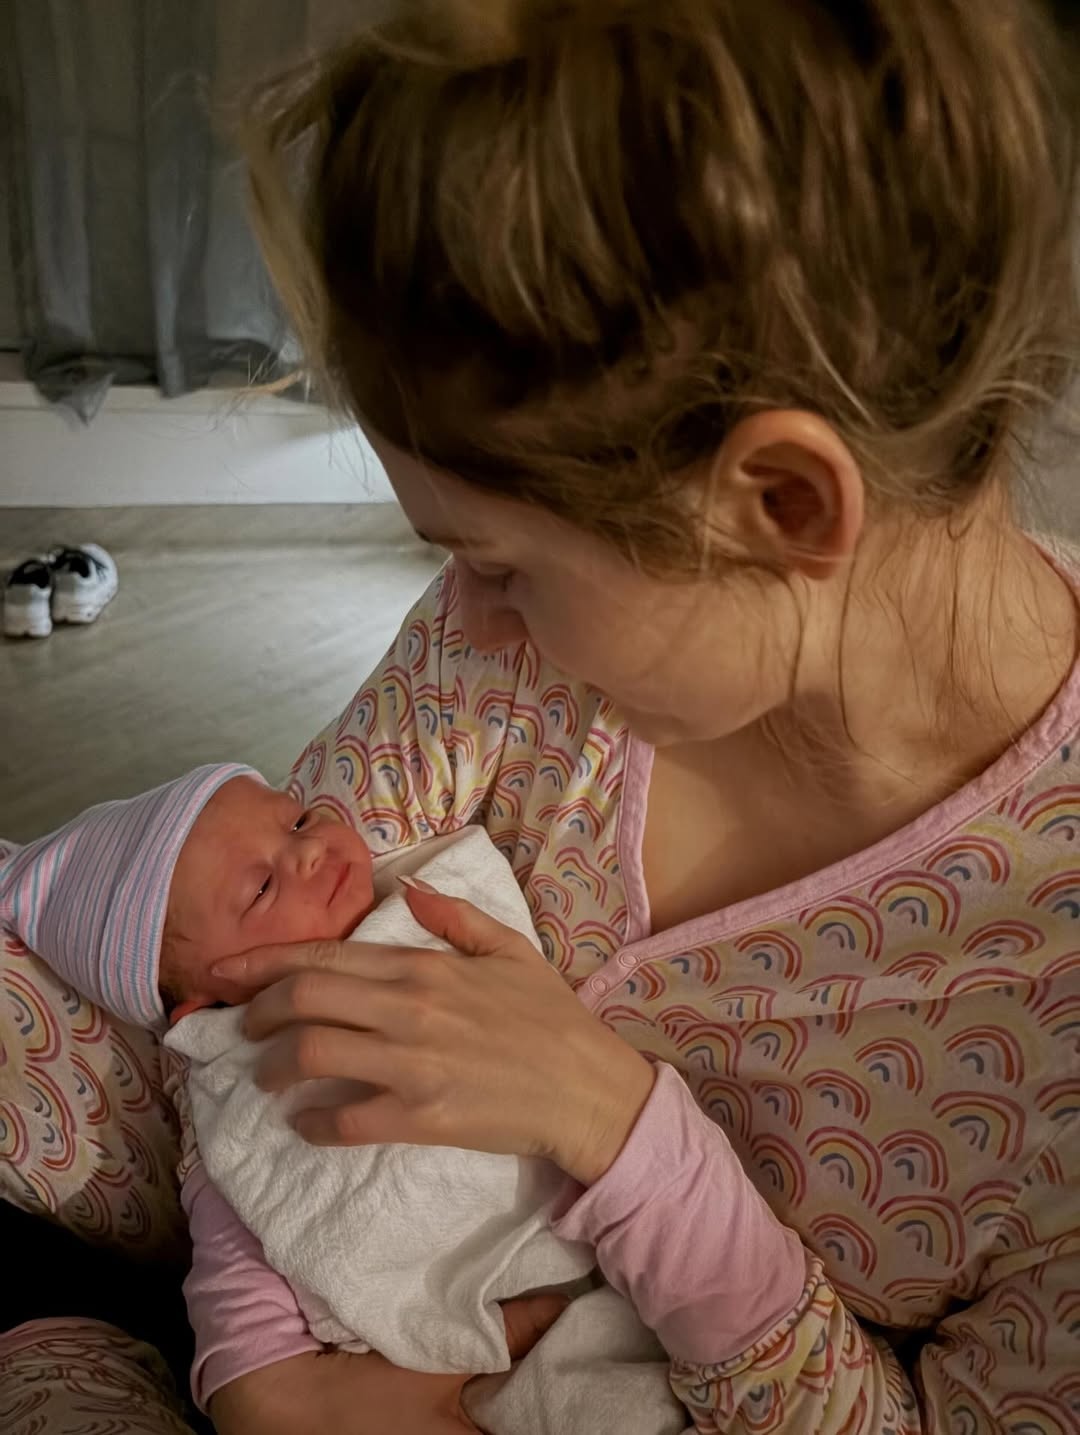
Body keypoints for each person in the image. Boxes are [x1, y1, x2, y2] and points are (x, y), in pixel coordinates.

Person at [2, 1, 1079, 1431]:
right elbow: (233, 981)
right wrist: (260, 1360)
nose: (462, 611)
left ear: (780, 505)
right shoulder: (503, 662)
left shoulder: (1041, 984)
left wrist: (618, 1127)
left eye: (503, 562)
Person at [1, 765, 685, 1435]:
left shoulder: (439, 901)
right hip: (453, 1362)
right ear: (202, 1002)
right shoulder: (240, 1111)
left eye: (299, 819)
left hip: (624, 1267)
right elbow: (238, 1295)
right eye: (262, 887)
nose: (309, 850)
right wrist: (247, 1377)